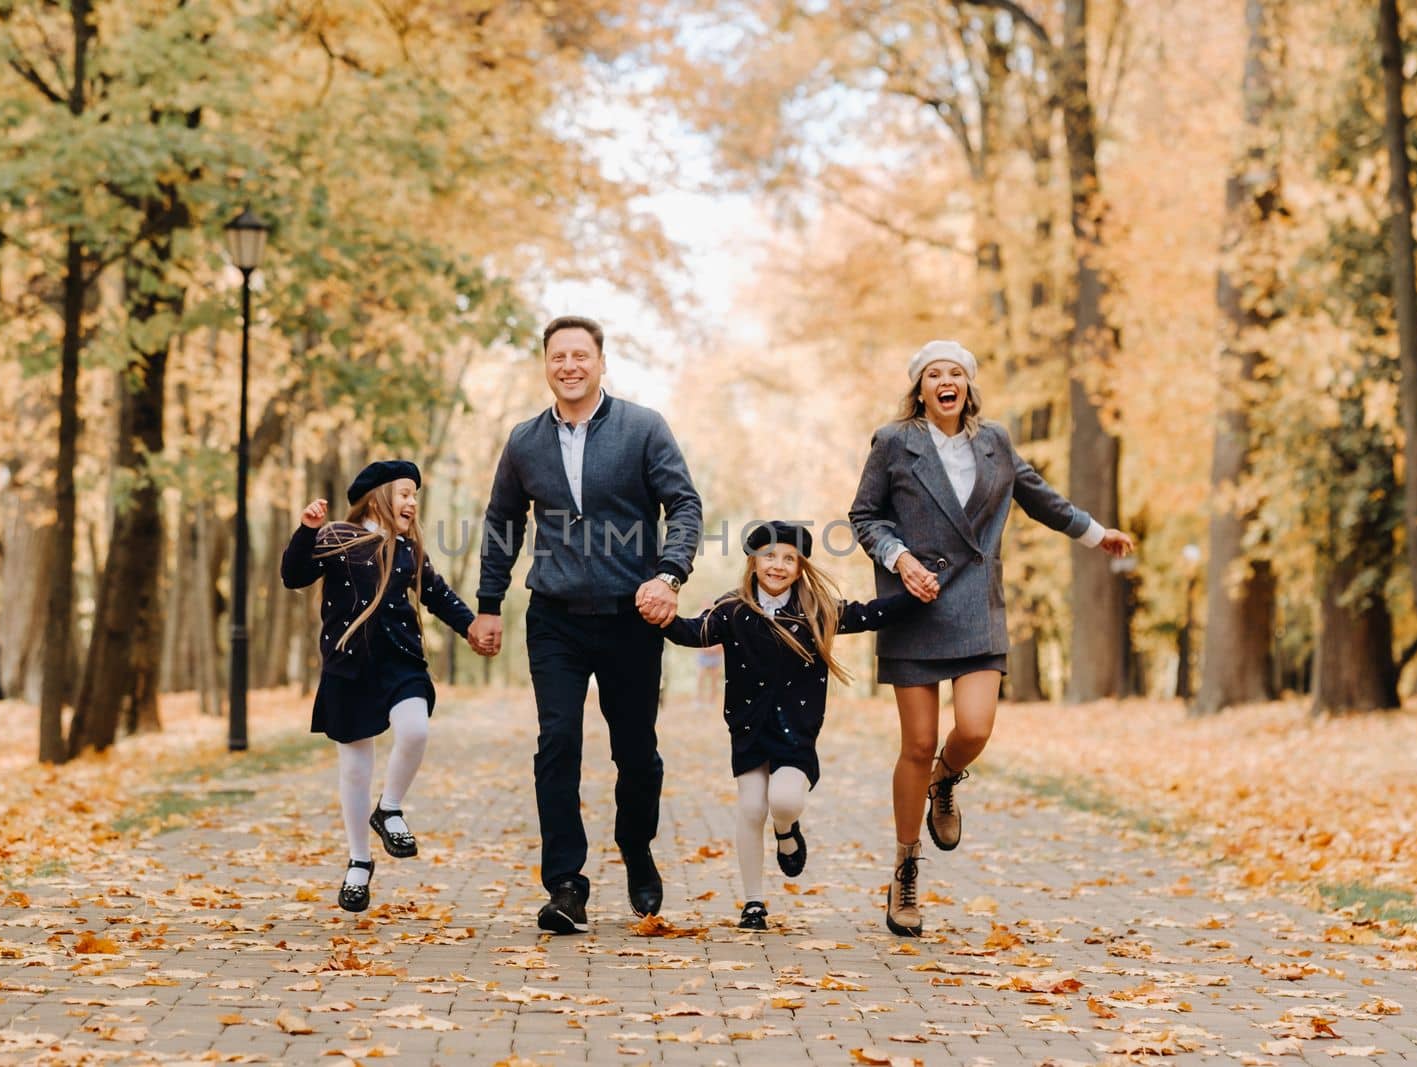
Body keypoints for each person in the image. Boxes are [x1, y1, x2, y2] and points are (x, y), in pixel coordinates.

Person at [849, 340, 1135, 937]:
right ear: (920, 388)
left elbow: (1038, 496)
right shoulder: (893, 442)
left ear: (969, 385)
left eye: (955, 372)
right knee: (918, 741)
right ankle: (905, 871)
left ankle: (945, 781)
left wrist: (1095, 533)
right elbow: (865, 518)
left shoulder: (995, 441)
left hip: (977, 601)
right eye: (934, 373)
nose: (945, 381)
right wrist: (900, 560)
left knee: (974, 729)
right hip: (914, 603)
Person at [468, 315, 703, 934]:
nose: (569, 366)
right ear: (546, 365)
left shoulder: (643, 428)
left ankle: (636, 844)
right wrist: (489, 604)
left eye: (580, 356)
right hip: (555, 619)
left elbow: (684, 505)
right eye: (558, 357)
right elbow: (502, 523)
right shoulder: (524, 441)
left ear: (601, 362)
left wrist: (669, 575)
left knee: (637, 754)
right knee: (558, 743)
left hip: (632, 617)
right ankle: (566, 884)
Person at [661, 521, 924, 930]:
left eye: (788, 558)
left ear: (800, 568)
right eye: (769, 556)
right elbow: (693, 633)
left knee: (783, 800)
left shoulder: (816, 611)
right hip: (748, 726)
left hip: (796, 729)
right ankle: (753, 903)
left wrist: (914, 598)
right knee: (750, 807)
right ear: (753, 562)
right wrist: (657, 615)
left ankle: (787, 832)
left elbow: (868, 614)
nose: (778, 565)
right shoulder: (732, 610)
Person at [281, 460, 479, 913]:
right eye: (404, 492)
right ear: (378, 497)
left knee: (415, 731)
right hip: (348, 666)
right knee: (354, 768)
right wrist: (305, 530)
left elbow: (437, 593)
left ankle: (388, 809)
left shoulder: (408, 548)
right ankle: (359, 861)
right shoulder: (336, 537)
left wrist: (471, 628)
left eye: (415, 495)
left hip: (400, 661)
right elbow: (293, 576)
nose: (412, 502)